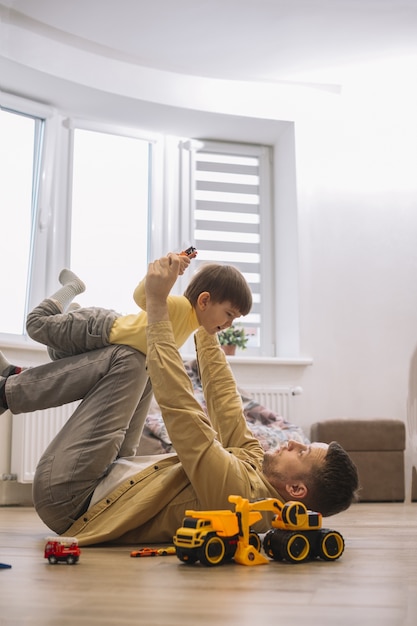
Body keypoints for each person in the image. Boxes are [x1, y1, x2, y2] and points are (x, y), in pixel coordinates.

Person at [0, 255, 359, 546]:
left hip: (70, 500)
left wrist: (157, 307)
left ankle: (8, 391)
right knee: (138, 358)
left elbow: (183, 413)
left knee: (131, 357)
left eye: (302, 452)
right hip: (107, 475)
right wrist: (204, 324)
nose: (293, 443)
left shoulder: (241, 498)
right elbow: (225, 402)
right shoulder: (257, 472)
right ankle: (16, 380)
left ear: (296, 490)